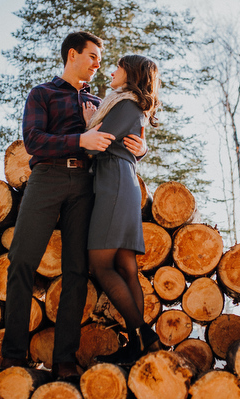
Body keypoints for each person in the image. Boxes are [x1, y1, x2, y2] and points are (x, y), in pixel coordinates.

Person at [0, 31, 147, 382]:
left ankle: (65, 358)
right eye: (94, 56)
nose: (99, 63)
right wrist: (80, 138)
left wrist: (142, 150)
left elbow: (125, 133)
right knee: (21, 261)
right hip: (46, 180)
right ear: (72, 55)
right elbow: (33, 141)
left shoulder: (101, 102)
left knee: (77, 271)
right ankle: (12, 354)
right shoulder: (42, 94)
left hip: (86, 186)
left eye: (101, 58)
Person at [83, 55, 161, 366]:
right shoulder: (133, 107)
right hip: (124, 182)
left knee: (100, 265)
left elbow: (92, 146)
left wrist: (85, 121)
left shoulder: (125, 104)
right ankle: (139, 343)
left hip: (113, 184)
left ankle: (143, 334)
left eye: (117, 67)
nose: (111, 72)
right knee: (126, 266)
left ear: (130, 74)